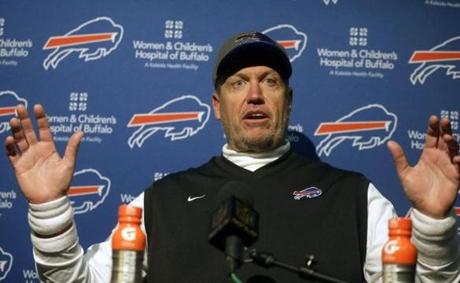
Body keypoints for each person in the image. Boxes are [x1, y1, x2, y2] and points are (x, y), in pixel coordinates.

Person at [4, 31, 460, 282]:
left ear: (289, 101)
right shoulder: (159, 201)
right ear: (218, 106)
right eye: (239, 82)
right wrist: (49, 208)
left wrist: (434, 225)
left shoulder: (353, 195)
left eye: (270, 81)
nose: (256, 95)